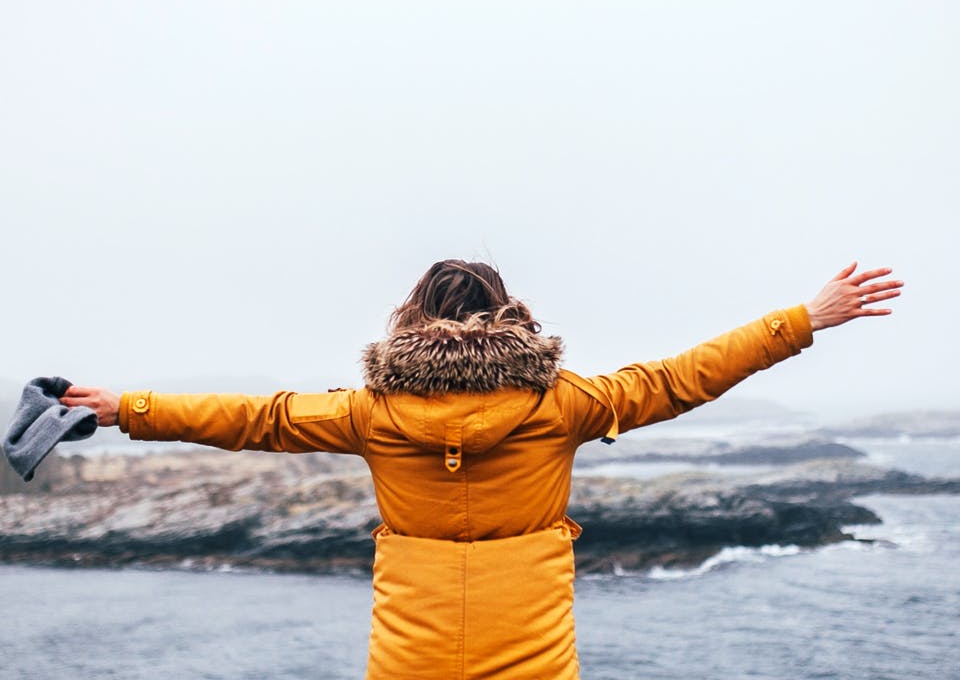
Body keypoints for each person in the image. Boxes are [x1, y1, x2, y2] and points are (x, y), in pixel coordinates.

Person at [64, 259, 901, 680]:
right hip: (535, 655)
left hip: (408, 658)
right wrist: (805, 318)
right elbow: (683, 379)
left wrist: (123, 408)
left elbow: (255, 420)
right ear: (509, 316)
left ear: (413, 321)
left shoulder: (371, 413)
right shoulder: (563, 403)